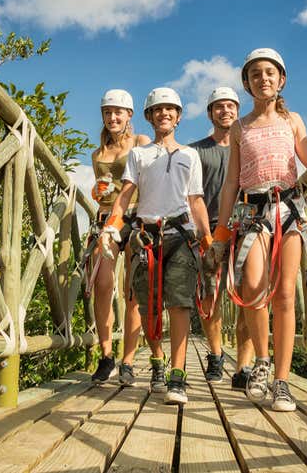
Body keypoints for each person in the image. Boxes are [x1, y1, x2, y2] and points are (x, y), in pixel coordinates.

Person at [205, 48, 307, 411]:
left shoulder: (292, 120)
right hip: (251, 211)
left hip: (287, 208)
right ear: (247, 83)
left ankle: (282, 381)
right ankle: (262, 363)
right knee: (253, 288)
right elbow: (231, 182)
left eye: (270, 73)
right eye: (255, 74)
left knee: (285, 293)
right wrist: (221, 232)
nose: (263, 78)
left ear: (281, 79)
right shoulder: (240, 127)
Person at [100, 87, 212, 405]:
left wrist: (208, 240)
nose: (164, 114)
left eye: (170, 109)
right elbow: (125, 194)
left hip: (180, 234)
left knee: (179, 304)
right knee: (149, 308)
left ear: (178, 116)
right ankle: (157, 362)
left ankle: (178, 375)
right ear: (149, 117)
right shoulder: (140, 155)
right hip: (147, 237)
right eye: (158, 110)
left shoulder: (190, 156)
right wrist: (112, 227)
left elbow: (196, 201)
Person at [189, 87, 254, 388]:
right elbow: (190, 196)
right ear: (210, 113)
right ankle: (215, 355)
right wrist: (204, 235)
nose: (225, 111)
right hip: (211, 229)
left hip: (247, 227)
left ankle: (243, 366)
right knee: (209, 297)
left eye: (230, 106)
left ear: (237, 110)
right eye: (218, 107)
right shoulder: (196, 151)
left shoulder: (248, 145)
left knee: (249, 298)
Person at [87, 89, 150, 385]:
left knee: (133, 290)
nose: (112, 117)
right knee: (102, 283)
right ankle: (106, 355)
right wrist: (95, 192)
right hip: (106, 220)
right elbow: (100, 191)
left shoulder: (141, 143)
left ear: (129, 116)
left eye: (118, 112)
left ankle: (128, 359)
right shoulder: (97, 153)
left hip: (136, 217)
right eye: (107, 112)